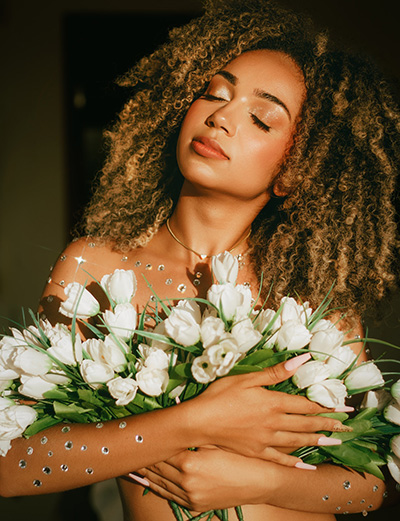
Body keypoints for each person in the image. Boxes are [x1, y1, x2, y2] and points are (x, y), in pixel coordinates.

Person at [1, 0, 400, 519]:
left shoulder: (311, 290)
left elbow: (366, 485)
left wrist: (259, 480)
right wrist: (197, 423)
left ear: (296, 170)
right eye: (214, 93)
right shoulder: (96, 269)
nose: (219, 117)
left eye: (260, 118)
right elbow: (12, 466)